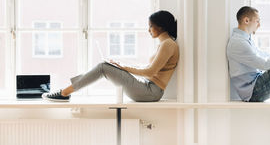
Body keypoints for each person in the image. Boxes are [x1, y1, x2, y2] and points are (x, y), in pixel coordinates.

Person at [42, 10, 179, 102]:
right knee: (106, 66)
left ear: (160, 27)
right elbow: (148, 68)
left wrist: (124, 68)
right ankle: (66, 91)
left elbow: (150, 71)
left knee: (103, 67)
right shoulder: (164, 44)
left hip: (151, 92)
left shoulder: (168, 44)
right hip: (148, 87)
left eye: (150, 26)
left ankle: (64, 92)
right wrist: (121, 66)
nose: (148, 30)